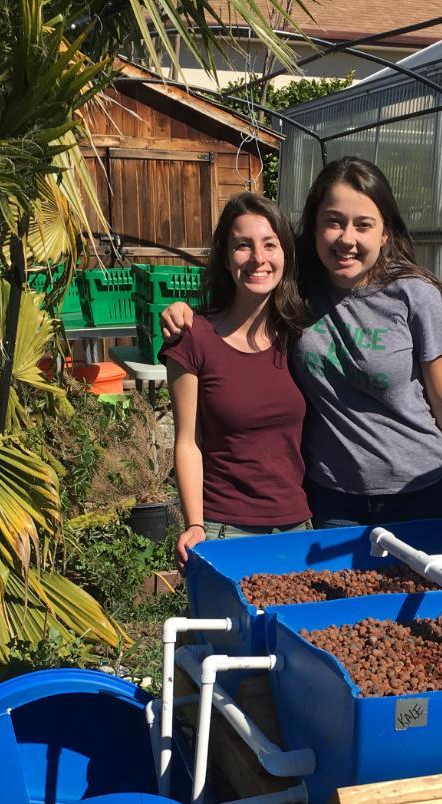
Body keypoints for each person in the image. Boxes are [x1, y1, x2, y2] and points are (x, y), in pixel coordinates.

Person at [161, 157, 442, 526]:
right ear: (314, 229)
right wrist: (186, 312)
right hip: (331, 497)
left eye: (363, 225)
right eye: (334, 222)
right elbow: (245, 294)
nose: (347, 239)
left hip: (416, 492)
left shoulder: (414, 297)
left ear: (385, 233)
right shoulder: (297, 293)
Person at [164, 192, 310, 571]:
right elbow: (187, 441)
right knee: (226, 632)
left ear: (285, 255)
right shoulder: (194, 337)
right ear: (226, 258)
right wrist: (194, 523)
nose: (258, 259)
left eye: (269, 245)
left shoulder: (299, 337)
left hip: (297, 527)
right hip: (225, 529)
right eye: (243, 246)